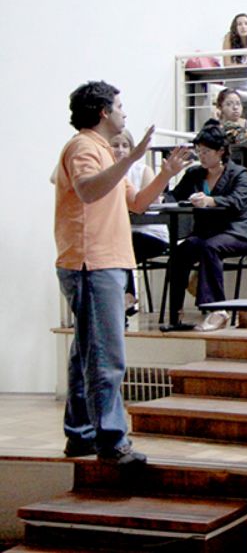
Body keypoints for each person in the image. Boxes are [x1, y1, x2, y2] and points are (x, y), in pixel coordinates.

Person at [56, 80, 188, 464]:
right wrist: (130, 160)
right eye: (118, 106)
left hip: (103, 261)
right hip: (91, 262)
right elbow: (87, 191)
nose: (124, 112)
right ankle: (112, 442)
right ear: (103, 112)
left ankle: (80, 434)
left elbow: (137, 203)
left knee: (87, 353)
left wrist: (165, 173)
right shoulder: (84, 147)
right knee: (105, 357)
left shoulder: (103, 150)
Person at [168, 122, 247, 332]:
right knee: (180, 252)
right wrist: (165, 188)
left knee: (210, 248)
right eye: (199, 151)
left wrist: (211, 201)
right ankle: (175, 313)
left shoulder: (239, 173)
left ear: (221, 151)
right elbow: (175, 195)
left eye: (206, 151)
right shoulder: (195, 174)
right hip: (205, 233)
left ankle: (218, 310)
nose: (202, 156)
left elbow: (238, 201)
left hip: (235, 232)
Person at [109, 130, 169, 318]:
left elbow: (149, 203)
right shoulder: (105, 173)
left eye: (125, 145)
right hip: (121, 233)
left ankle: (127, 296)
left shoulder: (142, 171)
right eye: (115, 145)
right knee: (113, 247)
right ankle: (123, 299)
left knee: (121, 247)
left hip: (150, 232)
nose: (120, 150)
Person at [214, 89, 247, 189]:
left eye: (238, 104)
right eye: (229, 104)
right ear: (220, 107)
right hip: (223, 165)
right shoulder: (215, 127)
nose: (235, 107)